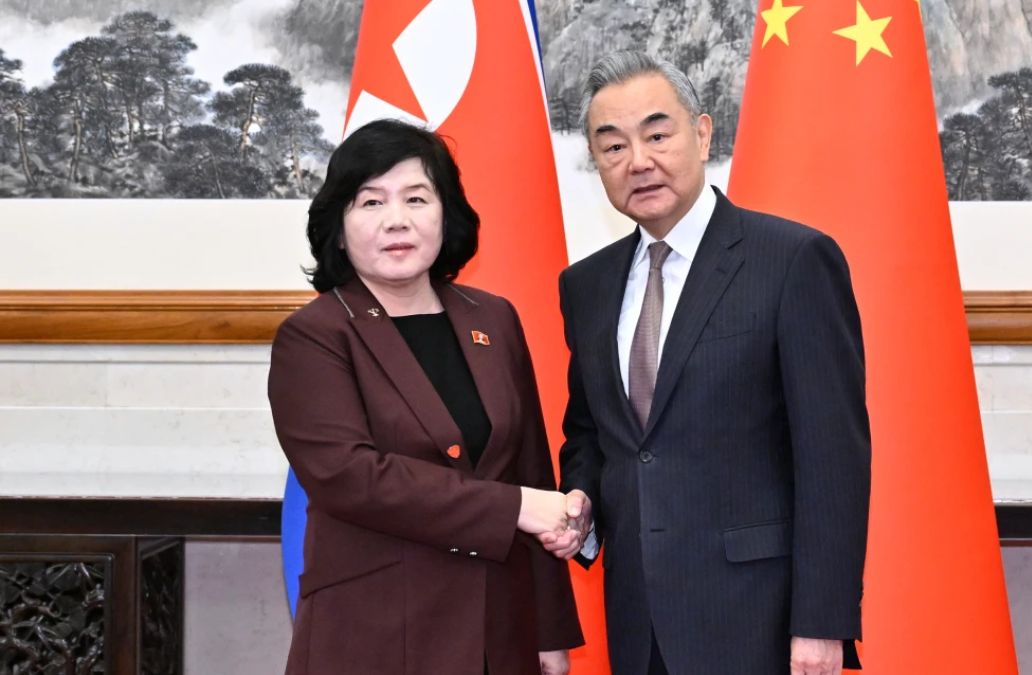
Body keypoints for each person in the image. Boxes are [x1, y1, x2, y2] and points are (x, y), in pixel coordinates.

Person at [540, 52, 871, 675]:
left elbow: (833, 458)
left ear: (702, 133)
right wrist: (581, 500)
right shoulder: (586, 286)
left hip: (760, 621)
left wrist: (822, 624)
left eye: (657, 135)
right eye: (613, 147)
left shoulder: (792, 260)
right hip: (638, 622)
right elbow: (591, 432)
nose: (638, 161)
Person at [268, 119, 583, 675]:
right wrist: (514, 508)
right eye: (371, 202)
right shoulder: (314, 336)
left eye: (416, 198)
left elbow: (531, 469)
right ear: (338, 228)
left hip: (500, 635)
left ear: (446, 215)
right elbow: (351, 478)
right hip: (375, 637)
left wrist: (550, 632)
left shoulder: (494, 319)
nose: (397, 219)